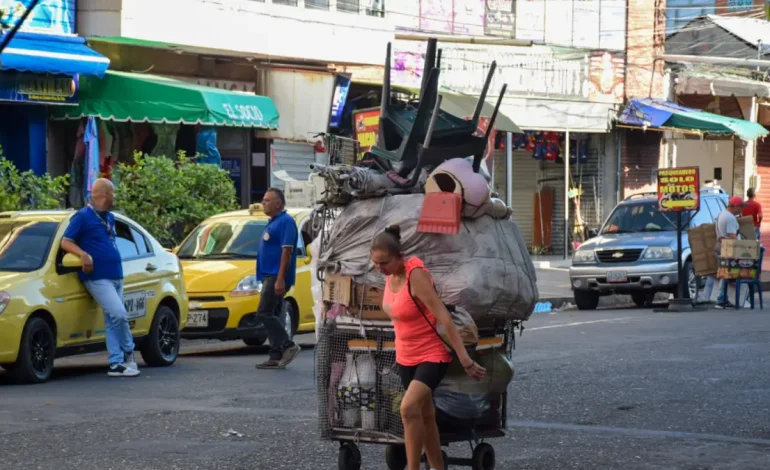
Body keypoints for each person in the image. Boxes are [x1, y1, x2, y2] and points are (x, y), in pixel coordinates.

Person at [371, 225, 486, 470]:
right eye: (375, 263)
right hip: (405, 355)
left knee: (408, 408)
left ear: (400, 257)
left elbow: (444, 317)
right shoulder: (390, 277)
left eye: (384, 263)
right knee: (425, 416)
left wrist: (465, 359)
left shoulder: (416, 276)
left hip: (432, 353)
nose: (380, 269)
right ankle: (437, 467)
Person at [61, 178, 139, 377]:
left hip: (116, 275)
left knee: (112, 319)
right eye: (113, 193)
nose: (115, 197)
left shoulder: (109, 217)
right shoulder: (82, 217)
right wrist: (83, 254)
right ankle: (129, 352)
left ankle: (115, 363)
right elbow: (66, 242)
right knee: (119, 314)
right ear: (105, 194)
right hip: (97, 277)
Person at [248, 188, 302, 369]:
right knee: (275, 314)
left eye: (267, 200)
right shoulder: (273, 222)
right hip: (268, 275)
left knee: (263, 312)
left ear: (278, 203)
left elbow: (287, 250)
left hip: (276, 275)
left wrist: (280, 279)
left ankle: (288, 345)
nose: (263, 203)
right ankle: (275, 355)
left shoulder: (286, 221)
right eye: (264, 200)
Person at [711, 196, 744, 308]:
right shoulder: (730, 218)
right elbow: (732, 235)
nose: (742, 210)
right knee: (726, 274)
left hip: (722, 245)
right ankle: (721, 299)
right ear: (735, 206)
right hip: (728, 248)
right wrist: (743, 248)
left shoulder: (722, 213)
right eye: (741, 207)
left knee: (725, 273)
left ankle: (722, 299)